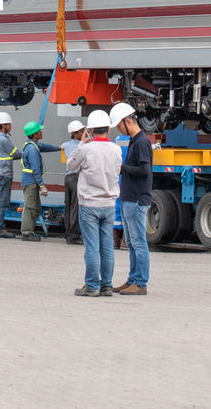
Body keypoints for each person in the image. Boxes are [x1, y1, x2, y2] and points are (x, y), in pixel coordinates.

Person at [66, 110, 123, 297]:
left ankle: (92, 285)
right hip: (108, 204)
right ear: (108, 128)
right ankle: (106, 285)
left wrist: (82, 143)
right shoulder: (116, 149)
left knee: (92, 247)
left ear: (89, 130)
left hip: (89, 204)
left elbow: (71, 166)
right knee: (107, 246)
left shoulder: (86, 149)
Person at [111, 102, 152, 295]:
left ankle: (141, 283)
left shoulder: (142, 142)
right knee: (133, 243)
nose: (119, 130)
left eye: (119, 126)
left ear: (127, 121)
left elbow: (145, 171)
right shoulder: (134, 141)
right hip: (129, 199)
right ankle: (132, 279)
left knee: (138, 242)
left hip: (136, 199)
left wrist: (122, 168)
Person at [19, 121, 63, 241]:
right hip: (31, 181)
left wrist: (60, 147)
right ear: (35, 134)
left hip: (31, 181)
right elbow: (36, 169)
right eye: (39, 131)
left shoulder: (32, 145)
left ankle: (30, 231)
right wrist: (42, 185)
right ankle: (26, 233)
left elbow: (45, 147)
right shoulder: (33, 150)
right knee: (30, 207)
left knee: (36, 207)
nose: (41, 132)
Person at [0, 111, 21, 238]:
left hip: (2, 172)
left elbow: (10, 156)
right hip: (5, 174)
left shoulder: (1, 138)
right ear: (3, 125)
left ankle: (0, 227)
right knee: (3, 201)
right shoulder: (3, 139)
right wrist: (29, 151)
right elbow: (15, 153)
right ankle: (0, 229)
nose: (11, 126)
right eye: (9, 124)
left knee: (1, 201)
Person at [62, 120, 85, 244]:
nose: (83, 133)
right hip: (77, 178)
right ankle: (73, 236)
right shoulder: (83, 145)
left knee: (68, 206)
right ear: (75, 133)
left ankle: (67, 233)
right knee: (76, 207)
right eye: (81, 131)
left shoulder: (66, 144)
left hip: (68, 178)